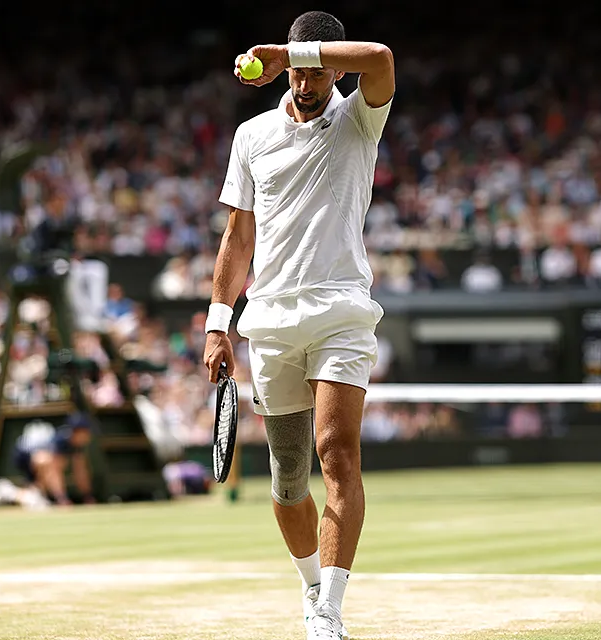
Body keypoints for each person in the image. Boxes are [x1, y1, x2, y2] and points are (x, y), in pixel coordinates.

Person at [202, 10, 394, 640]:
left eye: (317, 68)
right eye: (298, 72)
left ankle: (331, 610)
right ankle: (312, 589)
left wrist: (293, 53)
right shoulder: (251, 135)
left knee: (337, 453)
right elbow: (238, 236)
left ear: (331, 65)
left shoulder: (359, 120)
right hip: (272, 320)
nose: (305, 81)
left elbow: (384, 58)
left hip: (342, 312)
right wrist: (216, 324)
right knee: (288, 481)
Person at [12, 413, 95, 506]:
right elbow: (54, 471)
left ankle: (33, 494)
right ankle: (6, 492)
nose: (88, 435)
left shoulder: (76, 444)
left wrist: (87, 496)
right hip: (24, 457)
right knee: (50, 464)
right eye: (86, 431)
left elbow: (80, 471)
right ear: (77, 432)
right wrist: (62, 499)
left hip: (35, 458)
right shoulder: (61, 440)